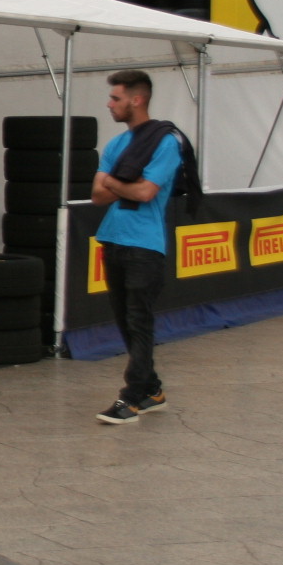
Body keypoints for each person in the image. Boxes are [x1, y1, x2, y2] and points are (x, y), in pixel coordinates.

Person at [90, 70, 182, 425]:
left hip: (145, 246)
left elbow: (145, 192)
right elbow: (98, 196)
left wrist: (114, 182)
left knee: (139, 321)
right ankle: (152, 390)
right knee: (125, 322)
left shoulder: (166, 143)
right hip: (113, 239)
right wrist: (123, 183)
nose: (109, 104)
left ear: (136, 100)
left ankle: (131, 398)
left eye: (116, 98)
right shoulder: (116, 145)